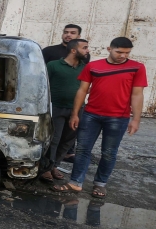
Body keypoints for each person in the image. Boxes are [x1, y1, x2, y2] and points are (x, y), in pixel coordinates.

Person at [54, 37, 147, 198]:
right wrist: (75, 114)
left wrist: (136, 119)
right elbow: (82, 91)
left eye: (127, 53)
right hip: (91, 115)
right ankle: (75, 182)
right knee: (83, 149)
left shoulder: (137, 68)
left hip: (119, 118)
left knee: (109, 152)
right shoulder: (93, 66)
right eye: (119, 52)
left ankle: (100, 184)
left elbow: (137, 94)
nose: (123, 56)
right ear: (109, 49)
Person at [40, 38, 89, 183]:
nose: (87, 51)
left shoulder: (85, 68)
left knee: (67, 140)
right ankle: (46, 168)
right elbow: (43, 85)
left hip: (76, 109)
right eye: (84, 48)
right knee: (53, 139)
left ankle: (55, 165)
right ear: (74, 50)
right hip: (55, 107)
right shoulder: (53, 65)